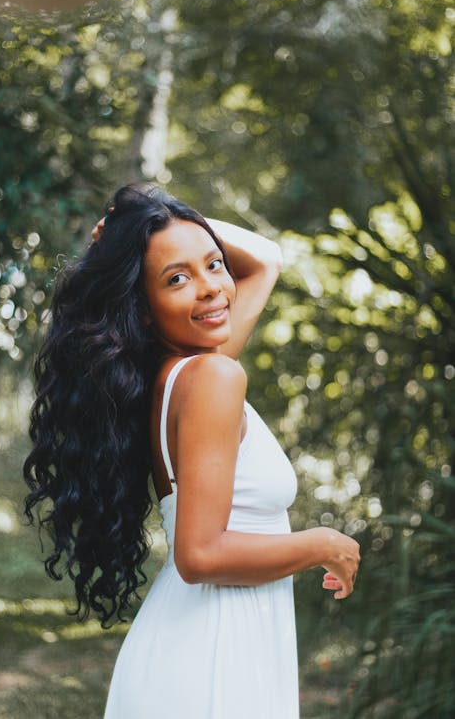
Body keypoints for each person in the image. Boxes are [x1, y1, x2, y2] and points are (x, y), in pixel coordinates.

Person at [23, 183, 360, 718]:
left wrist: (141, 218)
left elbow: (266, 260)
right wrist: (322, 543)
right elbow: (200, 555)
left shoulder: (181, 372)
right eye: (176, 278)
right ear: (144, 306)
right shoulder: (210, 376)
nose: (211, 288)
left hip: (208, 645)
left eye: (213, 265)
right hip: (210, 657)